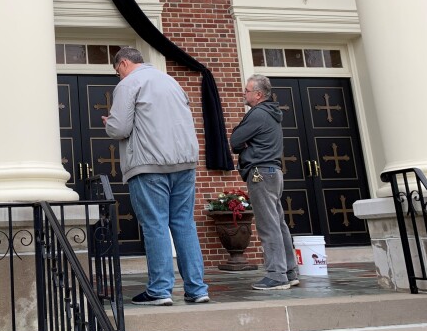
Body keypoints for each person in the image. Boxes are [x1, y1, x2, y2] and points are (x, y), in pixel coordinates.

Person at [102, 47, 209, 306]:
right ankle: (197, 289)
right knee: (184, 224)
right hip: (184, 163)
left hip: (150, 164)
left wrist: (108, 124)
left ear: (124, 63)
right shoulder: (171, 81)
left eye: (118, 71)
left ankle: (160, 290)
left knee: (155, 225)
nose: (119, 76)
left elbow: (120, 128)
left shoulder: (130, 83)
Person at [230, 74, 299, 291]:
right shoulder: (271, 113)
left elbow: (235, 140)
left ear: (258, 94)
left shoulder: (258, 114)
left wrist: (246, 143)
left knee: (268, 225)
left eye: (247, 90)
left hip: (260, 173)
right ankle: (289, 271)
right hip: (274, 172)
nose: (244, 93)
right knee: (278, 223)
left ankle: (276, 276)